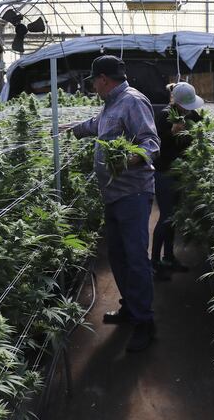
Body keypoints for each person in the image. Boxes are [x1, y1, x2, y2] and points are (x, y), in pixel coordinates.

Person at [68, 55, 160, 353]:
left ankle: (145, 322)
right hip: (113, 194)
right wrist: (72, 130)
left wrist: (130, 158)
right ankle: (130, 308)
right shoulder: (110, 104)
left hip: (133, 193)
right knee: (119, 256)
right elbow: (98, 125)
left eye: (94, 81)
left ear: (103, 79)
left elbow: (151, 142)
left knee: (135, 259)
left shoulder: (133, 101)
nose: (93, 86)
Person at [151, 82, 203, 280]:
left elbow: (200, 125)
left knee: (174, 217)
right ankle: (154, 262)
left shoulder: (188, 114)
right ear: (177, 102)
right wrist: (171, 132)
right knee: (166, 217)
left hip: (180, 173)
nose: (190, 110)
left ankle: (169, 257)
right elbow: (153, 143)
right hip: (164, 173)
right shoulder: (165, 115)